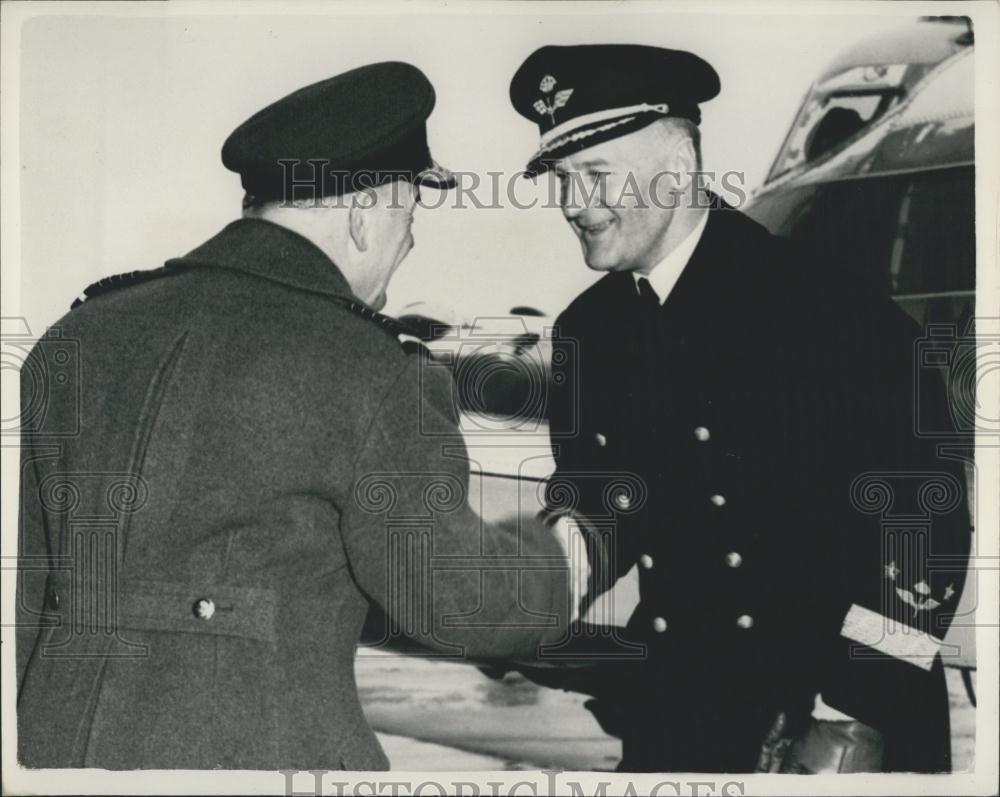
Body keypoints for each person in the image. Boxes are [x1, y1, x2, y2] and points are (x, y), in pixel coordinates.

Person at [16, 61, 583, 770]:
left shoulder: (75, 340)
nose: (408, 243)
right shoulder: (371, 370)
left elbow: (35, 604)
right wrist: (559, 562)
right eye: (409, 215)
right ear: (364, 213)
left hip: (55, 754)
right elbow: (455, 601)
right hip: (261, 758)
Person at [508, 44, 971, 773]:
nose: (573, 204)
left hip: (827, 718)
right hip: (679, 712)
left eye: (596, 175)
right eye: (561, 178)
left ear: (679, 166)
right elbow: (602, 495)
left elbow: (925, 522)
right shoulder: (587, 330)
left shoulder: (825, 308)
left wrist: (852, 716)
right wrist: (541, 580)